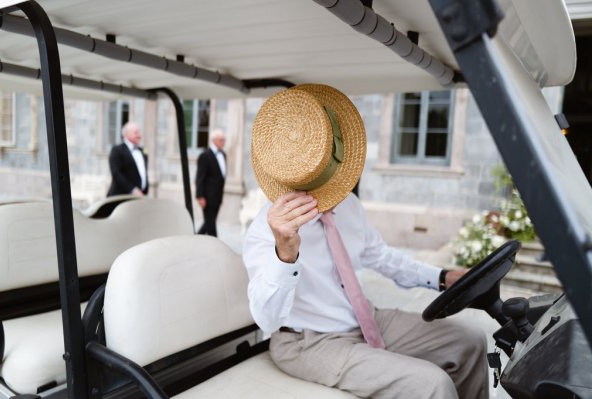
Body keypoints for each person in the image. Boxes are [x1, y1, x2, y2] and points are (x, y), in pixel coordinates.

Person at [243, 84, 489, 398]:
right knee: (432, 384)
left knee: (470, 339)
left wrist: (441, 277)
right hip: (308, 341)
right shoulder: (266, 230)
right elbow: (266, 318)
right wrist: (285, 253)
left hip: (365, 318)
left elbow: (381, 256)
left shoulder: (348, 206)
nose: (335, 188)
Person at [195, 128, 227, 237]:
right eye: (221, 140)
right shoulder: (205, 156)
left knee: (209, 222)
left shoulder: (223, 155)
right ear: (213, 140)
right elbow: (200, 178)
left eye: (224, 140)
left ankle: (195, 239)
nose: (224, 142)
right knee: (211, 225)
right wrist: (200, 196)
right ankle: (216, 245)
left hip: (218, 197)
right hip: (207, 197)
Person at [107, 121, 148, 196]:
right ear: (126, 134)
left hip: (140, 198)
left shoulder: (142, 151)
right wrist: (133, 190)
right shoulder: (117, 150)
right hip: (120, 197)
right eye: (136, 133)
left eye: (139, 132)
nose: (139, 135)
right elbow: (116, 174)